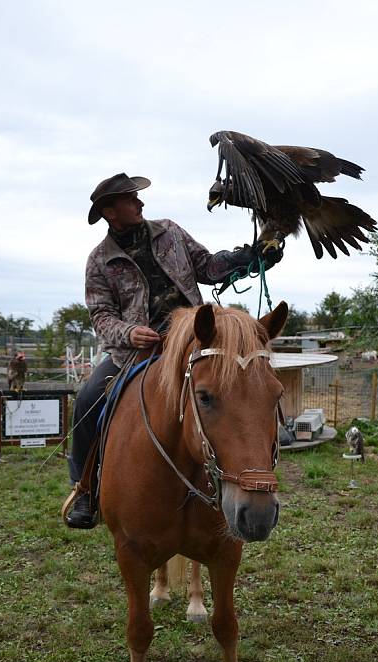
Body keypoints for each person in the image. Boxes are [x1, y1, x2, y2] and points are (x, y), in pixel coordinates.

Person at [65, 172, 282, 528]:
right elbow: (101, 315)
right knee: (88, 400)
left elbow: (207, 266)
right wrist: (130, 332)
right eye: (131, 199)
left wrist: (248, 257)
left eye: (138, 197)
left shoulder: (170, 232)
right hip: (137, 351)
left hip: (196, 339)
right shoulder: (99, 260)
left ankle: (254, 468)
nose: (140, 203)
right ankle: (86, 491)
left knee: (243, 388)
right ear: (109, 211)